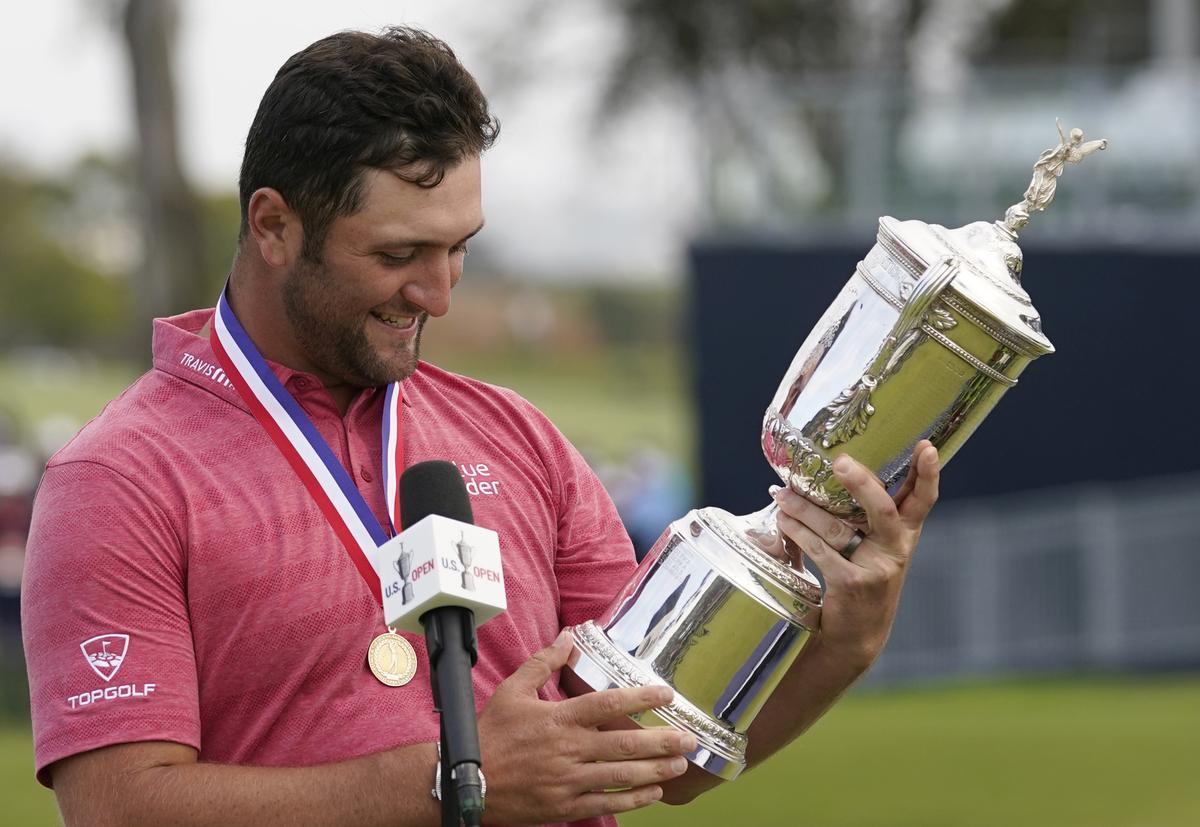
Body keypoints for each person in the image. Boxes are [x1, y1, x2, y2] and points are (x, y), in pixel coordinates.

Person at [21, 27, 940, 827]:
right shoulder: (120, 478)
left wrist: (845, 642)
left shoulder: (520, 436)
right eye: (399, 254)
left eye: (460, 248)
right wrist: (452, 781)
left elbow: (656, 743)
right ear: (273, 225)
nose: (439, 294)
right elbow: (119, 804)